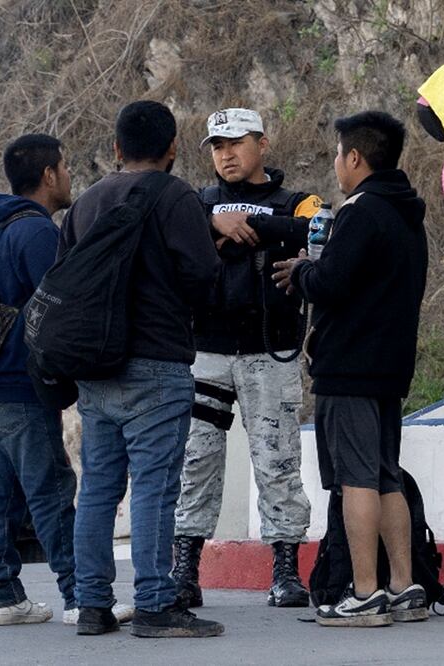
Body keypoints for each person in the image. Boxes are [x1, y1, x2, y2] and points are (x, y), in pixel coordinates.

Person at [60, 100, 224, 638]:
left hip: (96, 367)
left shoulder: (85, 203)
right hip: (157, 364)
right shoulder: (177, 197)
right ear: (174, 148)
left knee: (100, 487)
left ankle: (91, 605)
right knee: (155, 487)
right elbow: (203, 278)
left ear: (115, 148)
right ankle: (154, 604)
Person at [272, 111, 429, 627]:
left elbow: (333, 282)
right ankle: (404, 587)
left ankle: (364, 594)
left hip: (351, 365)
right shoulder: (407, 213)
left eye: (338, 154)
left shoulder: (361, 211)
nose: (336, 164)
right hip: (390, 364)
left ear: (356, 157)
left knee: (356, 477)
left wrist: (304, 271)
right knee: (385, 475)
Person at [171, 108, 319, 610]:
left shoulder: (297, 201)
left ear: (263, 143)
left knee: (277, 461)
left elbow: (318, 231)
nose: (225, 154)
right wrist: (214, 220)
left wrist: (251, 223)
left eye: (236, 142)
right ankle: (184, 569)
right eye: (217, 145)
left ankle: (285, 570)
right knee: (194, 462)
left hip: (269, 352)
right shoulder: (196, 202)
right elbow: (171, 242)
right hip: (204, 353)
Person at [0, 133, 78, 626]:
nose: (70, 175)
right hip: (19, 385)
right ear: (50, 175)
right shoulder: (35, 233)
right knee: (51, 490)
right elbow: (59, 307)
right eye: (66, 167)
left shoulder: (1, 228)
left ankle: (0, 596)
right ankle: (81, 594)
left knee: (1, 493)